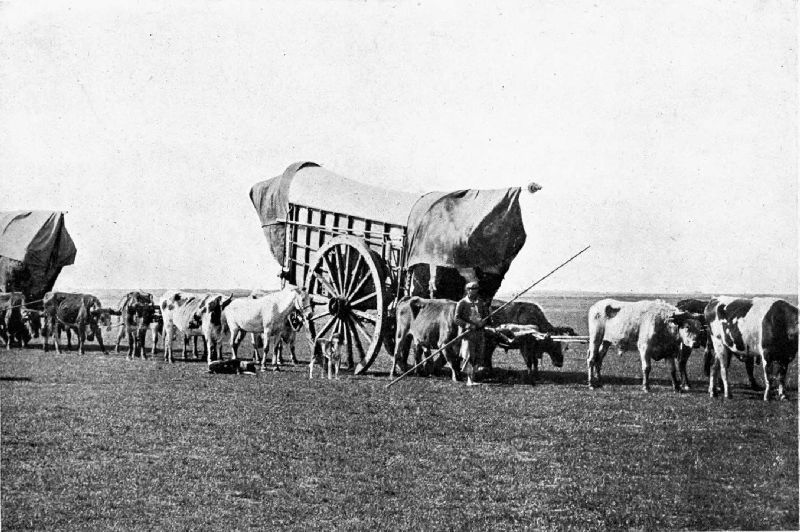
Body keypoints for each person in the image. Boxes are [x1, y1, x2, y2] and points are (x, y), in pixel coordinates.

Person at [455, 281, 490, 386]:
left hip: (479, 333)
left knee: (478, 355)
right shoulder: (462, 303)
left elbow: (486, 316)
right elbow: (456, 319)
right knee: (469, 355)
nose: (473, 291)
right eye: (471, 289)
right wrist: (468, 325)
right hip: (468, 334)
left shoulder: (481, 303)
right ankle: (469, 380)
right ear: (467, 290)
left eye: (475, 289)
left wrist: (482, 323)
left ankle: (474, 377)